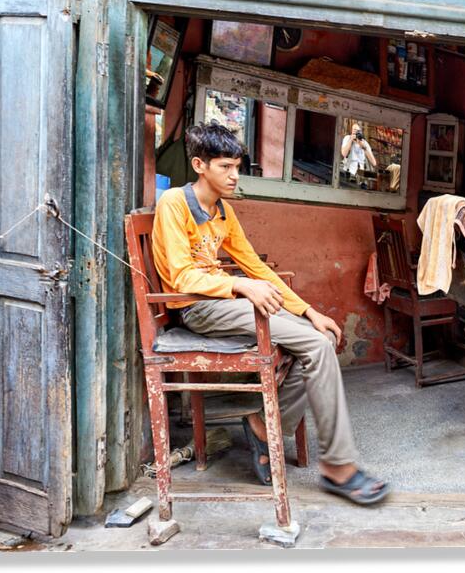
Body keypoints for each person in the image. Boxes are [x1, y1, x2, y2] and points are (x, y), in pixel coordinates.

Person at [151, 122, 390, 504]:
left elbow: (256, 267)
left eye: (237, 166)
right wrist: (239, 285)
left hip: (227, 303)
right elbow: (181, 275)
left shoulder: (223, 211)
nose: (234, 175)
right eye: (225, 167)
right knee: (316, 347)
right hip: (197, 308)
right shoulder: (174, 204)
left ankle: (266, 426)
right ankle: (339, 467)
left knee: (322, 337)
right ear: (199, 164)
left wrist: (310, 310)